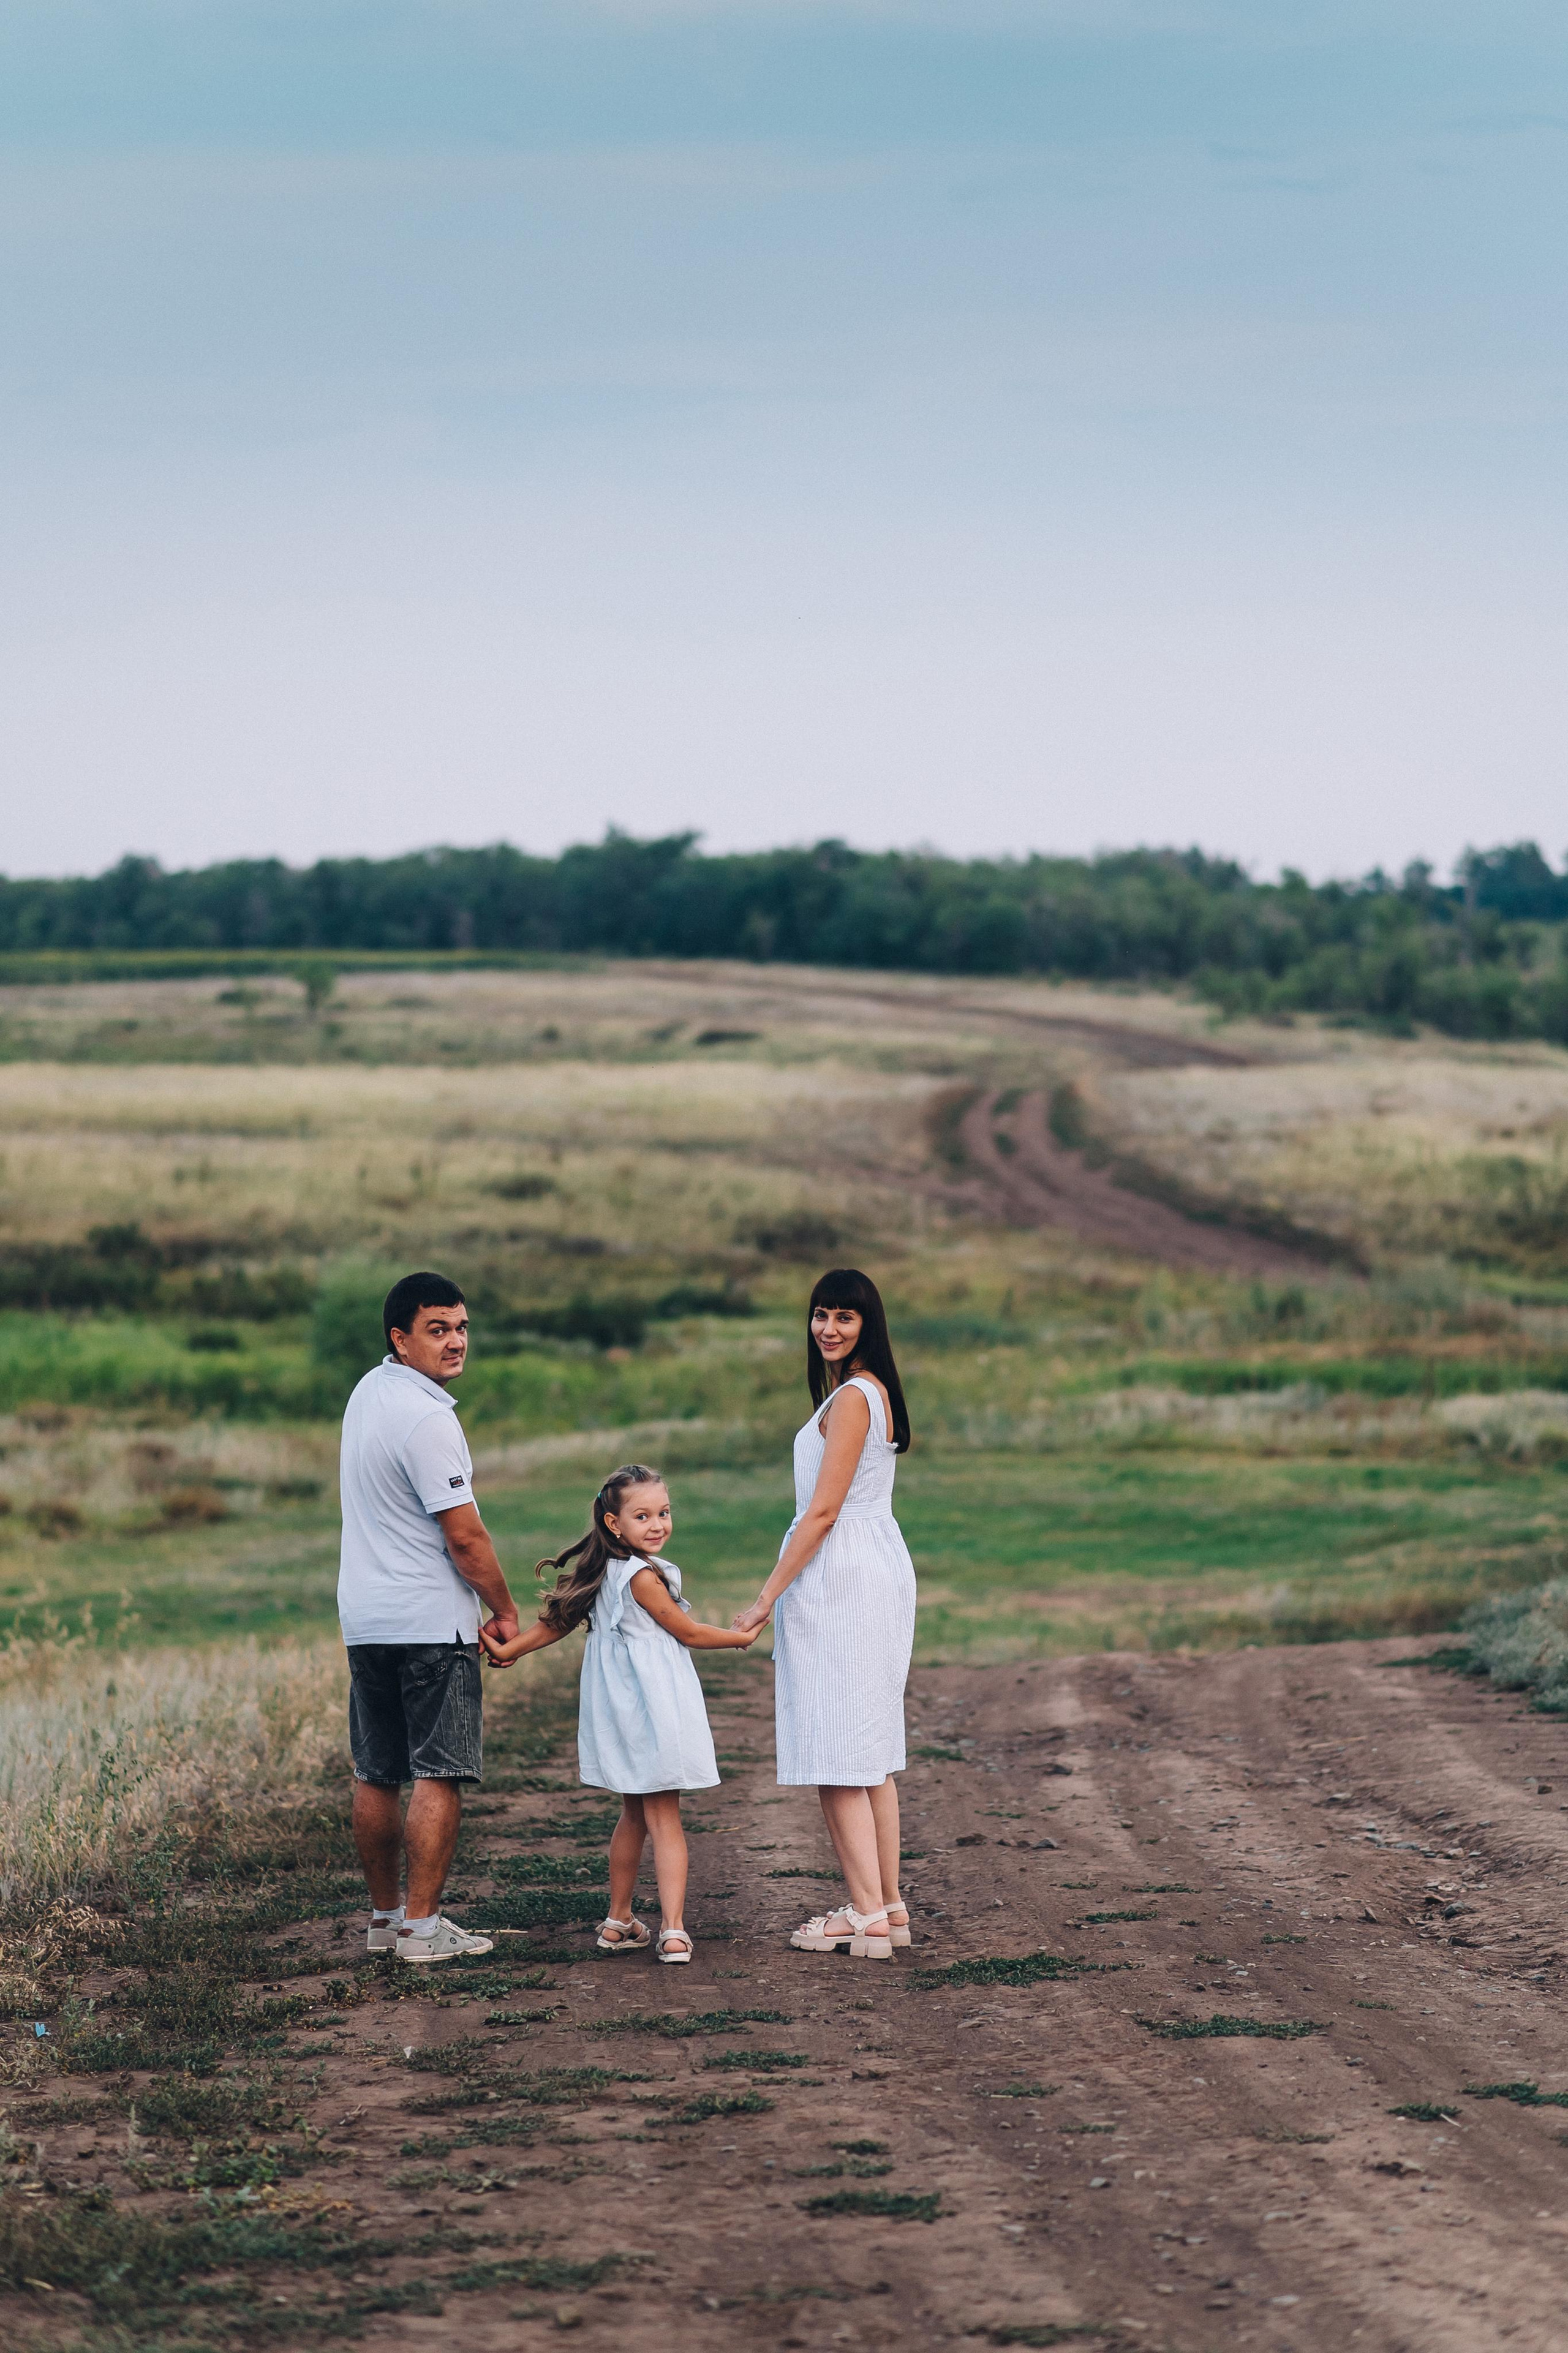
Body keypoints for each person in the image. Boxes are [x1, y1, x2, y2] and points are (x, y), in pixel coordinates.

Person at [481, 1464, 760, 1963]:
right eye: (643, 1515)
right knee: (665, 1815)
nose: (657, 1525)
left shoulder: (601, 1571)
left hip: (619, 1709)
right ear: (614, 1524)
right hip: (653, 1706)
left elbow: (557, 1623)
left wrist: (513, 1650)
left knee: (633, 1812)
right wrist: (741, 1637)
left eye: (664, 1513)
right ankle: (673, 1931)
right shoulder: (641, 1576)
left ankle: (618, 1922)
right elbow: (689, 1632)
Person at [731, 1268, 915, 1962]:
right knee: (870, 1757)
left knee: (840, 1753)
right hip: (873, 1566)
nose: (829, 1327)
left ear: (868, 1323)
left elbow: (824, 1511)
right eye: (820, 1314)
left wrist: (765, 1596)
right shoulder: (870, 1393)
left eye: (845, 1316)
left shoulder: (852, 1401)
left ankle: (865, 1915)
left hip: (842, 1574)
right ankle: (888, 1906)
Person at [337, 1270, 520, 1963]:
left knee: (377, 1771)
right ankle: (421, 1928)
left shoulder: (367, 1391)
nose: (455, 1341)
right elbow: (466, 1537)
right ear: (401, 1337)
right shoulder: (428, 1415)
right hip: (426, 1620)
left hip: (366, 1615)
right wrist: (503, 1608)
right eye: (437, 1329)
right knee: (437, 1770)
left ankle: (385, 1920)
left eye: (462, 1326)